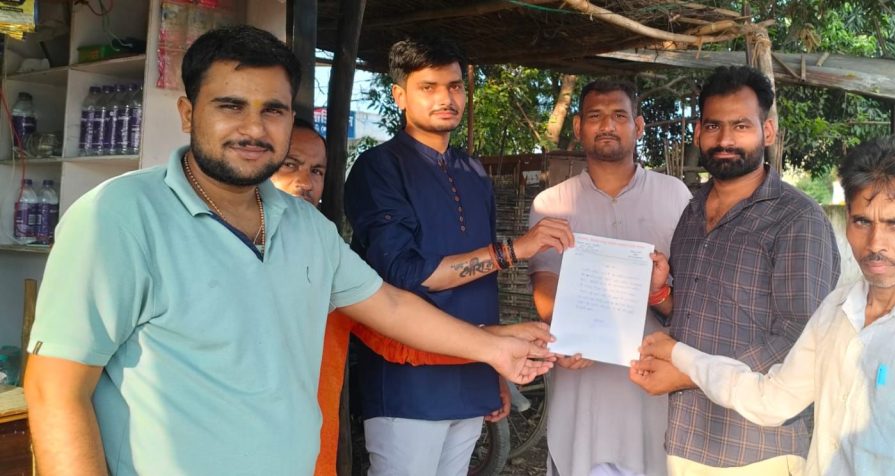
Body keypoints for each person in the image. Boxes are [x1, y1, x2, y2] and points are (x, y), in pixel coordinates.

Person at [22, 25, 554, 476]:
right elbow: (56, 392)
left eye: (273, 110)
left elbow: (390, 305)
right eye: (231, 106)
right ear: (187, 112)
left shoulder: (306, 227)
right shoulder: (118, 217)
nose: (254, 128)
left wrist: (494, 348)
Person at [639, 135, 895, 475]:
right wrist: (681, 355)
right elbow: (771, 399)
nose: (875, 243)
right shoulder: (837, 311)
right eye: (862, 221)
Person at [343, 36, 574, 476]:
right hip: (409, 382)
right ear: (399, 95)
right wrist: (514, 250)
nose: (445, 98)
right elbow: (404, 273)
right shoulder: (379, 167)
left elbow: (484, 284)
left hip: (472, 375)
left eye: (454, 86)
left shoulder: (473, 171)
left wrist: (495, 370)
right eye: (428, 87)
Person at [629, 65, 840, 475]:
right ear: (698, 134)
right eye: (713, 126)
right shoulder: (692, 212)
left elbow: (798, 338)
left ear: (768, 132)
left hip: (759, 448)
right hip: (687, 436)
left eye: (741, 125)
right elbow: (694, 314)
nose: (725, 139)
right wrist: (659, 293)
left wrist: (686, 374)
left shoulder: (797, 219)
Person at [528, 79, 692, 476]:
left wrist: (658, 292)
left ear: (639, 126)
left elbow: (692, 295)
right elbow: (545, 283)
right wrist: (566, 336)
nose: (607, 125)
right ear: (578, 127)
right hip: (581, 389)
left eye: (619, 115)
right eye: (596, 116)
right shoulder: (551, 203)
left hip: (654, 388)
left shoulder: (676, 197)